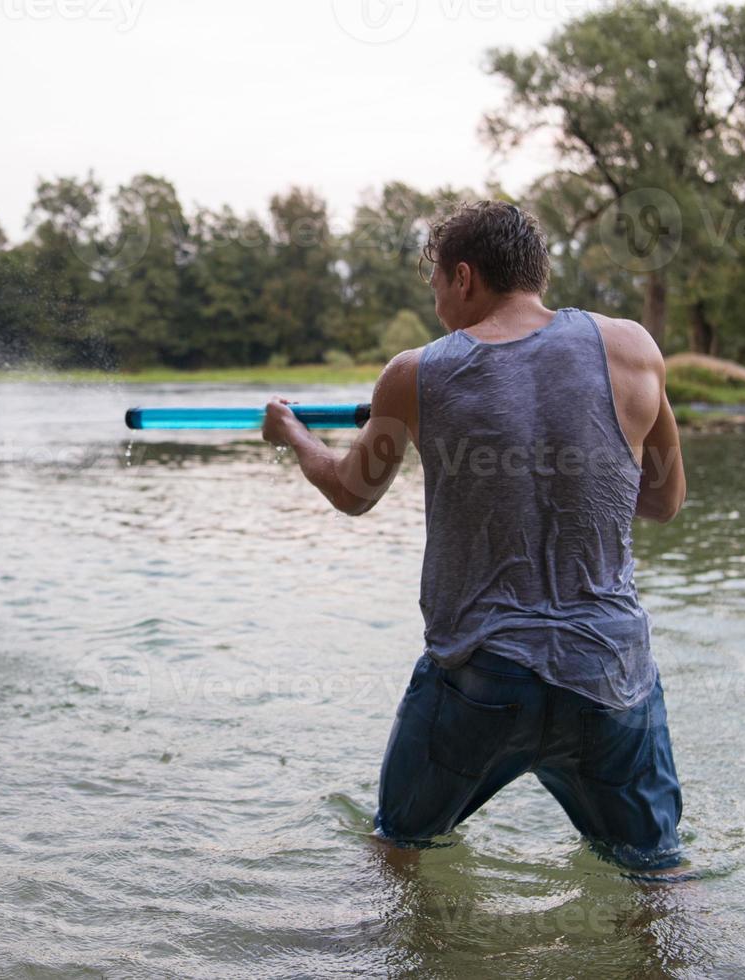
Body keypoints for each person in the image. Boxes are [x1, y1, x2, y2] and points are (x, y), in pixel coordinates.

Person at [261, 201, 687, 870]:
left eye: (434, 285)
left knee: (400, 852)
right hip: (610, 673)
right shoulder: (634, 348)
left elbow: (351, 492)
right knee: (654, 875)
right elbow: (663, 500)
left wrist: (290, 433)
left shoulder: (414, 375)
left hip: (481, 679)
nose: (436, 306)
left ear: (463, 277)